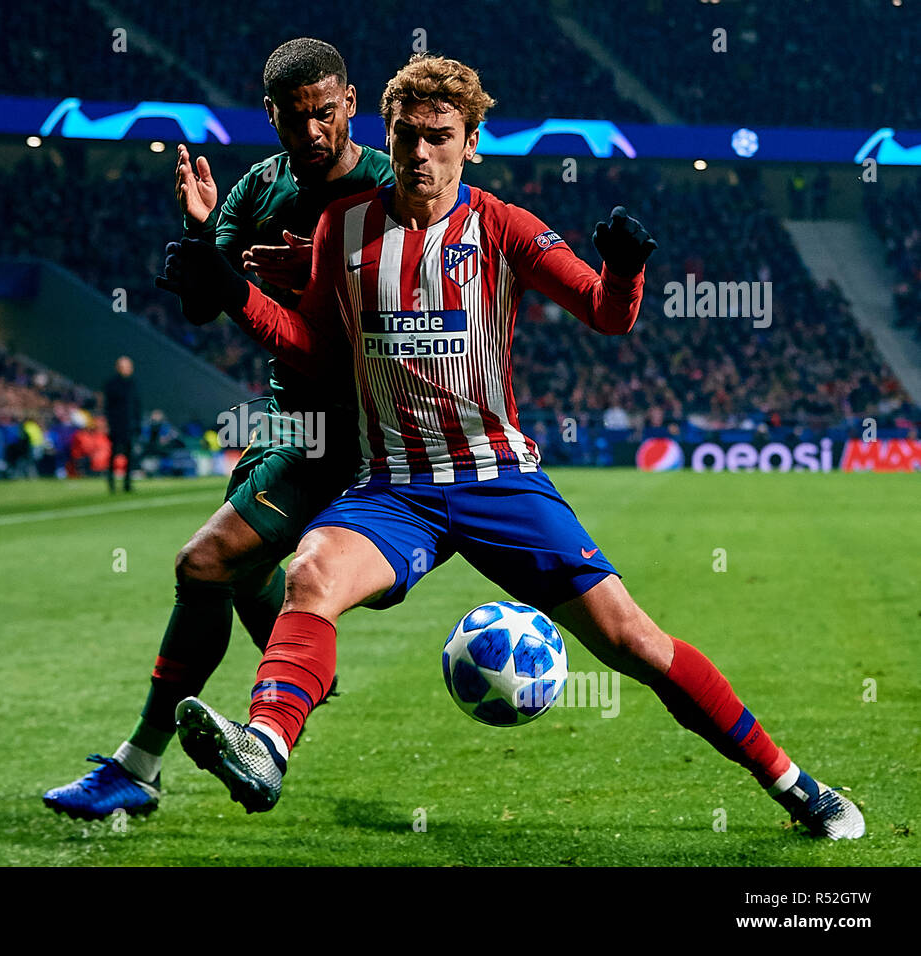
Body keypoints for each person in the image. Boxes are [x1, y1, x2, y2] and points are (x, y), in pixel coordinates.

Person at [156, 54, 864, 840]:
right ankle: (267, 746)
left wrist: (624, 270)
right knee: (312, 575)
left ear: (472, 143)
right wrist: (238, 295)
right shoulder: (343, 228)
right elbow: (316, 349)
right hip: (395, 487)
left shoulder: (502, 227)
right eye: (407, 136)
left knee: (633, 640)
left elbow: (605, 312)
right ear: (386, 135)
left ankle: (795, 784)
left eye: (439, 136)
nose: (420, 152)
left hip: (499, 480)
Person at [42, 37, 394, 820]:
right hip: (291, 428)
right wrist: (202, 236)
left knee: (207, 565)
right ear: (272, 115)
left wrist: (323, 272)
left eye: (327, 114)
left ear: (351, 102)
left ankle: (151, 758)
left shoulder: (389, 186)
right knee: (216, 570)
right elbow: (204, 300)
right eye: (295, 118)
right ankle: (291, 669)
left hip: (369, 432)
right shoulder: (257, 189)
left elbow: (420, 299)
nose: (312, 133)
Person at [103, 356, 141, 493]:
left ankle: (127, 483)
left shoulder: (133, 384)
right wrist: (109, 425)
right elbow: (108, 407)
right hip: (117, 426)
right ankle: (111, 483)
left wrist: (137, 423)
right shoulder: (112, 385)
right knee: (114, 454)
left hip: (130, 426)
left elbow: (137, 406)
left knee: (129, 456)